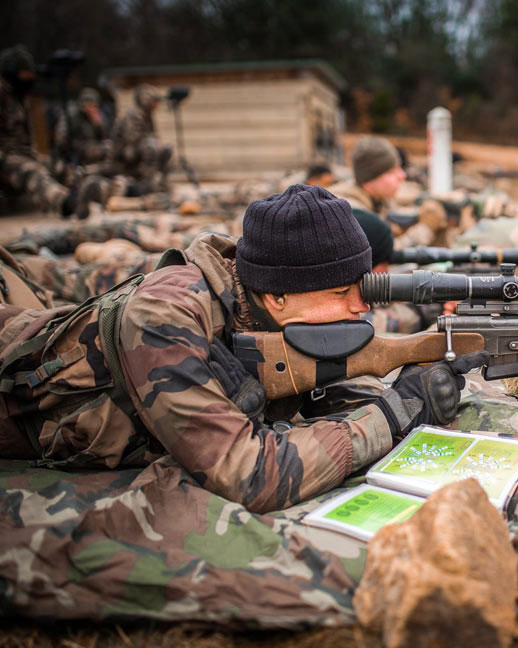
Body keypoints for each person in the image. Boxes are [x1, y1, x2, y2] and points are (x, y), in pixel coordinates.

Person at [0, 184, 486, 513]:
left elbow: (319, 384)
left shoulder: (268, 306)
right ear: (277, 296)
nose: (362, 306)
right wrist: (396, 412)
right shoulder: (164, 320)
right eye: (341, 295)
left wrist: (417, 362)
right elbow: (246, 474)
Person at [0, 45, 83, 218]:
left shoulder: (19, 96)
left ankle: (89, 195)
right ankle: (64, 202)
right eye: (25, 74)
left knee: (61, 168)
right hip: (6, 159)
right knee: (34, 171)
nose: (29, 78)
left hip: (23, 155)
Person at [110, 83, 172, 194]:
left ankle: (160, 181)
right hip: (126, 152)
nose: (156, 105)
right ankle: (146, 183)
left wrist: (158, 143)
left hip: (139, 148)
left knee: (167, 149)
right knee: (151, 146)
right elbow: (131, 138)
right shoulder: (134, 115)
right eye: (154, 102)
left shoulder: (147, 116)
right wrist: (153, 141)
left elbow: (153, 134)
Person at [54, 87, 110, 167]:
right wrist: (81, 146)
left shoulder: (96, 114)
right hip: (75, 154)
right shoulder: (72, 114)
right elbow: (61, 140)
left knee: (109, 148)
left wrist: (98, 124)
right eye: (89, 104)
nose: (92, 108)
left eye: (94, 105)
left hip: (92, 150)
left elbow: (104, 138)